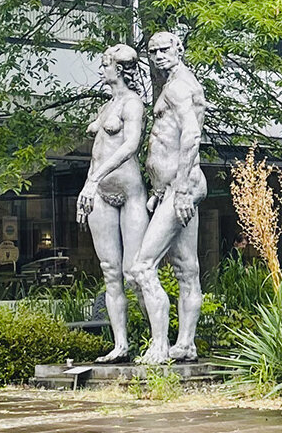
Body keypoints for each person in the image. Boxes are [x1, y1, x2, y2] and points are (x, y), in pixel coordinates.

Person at [125, 30, 209, 364]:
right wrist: (161, 189)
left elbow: (191, 136)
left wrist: (182, 189)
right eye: (153, 51)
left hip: (181, 185)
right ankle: (186, 344)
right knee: (186, 269)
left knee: (142, 267)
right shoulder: (175, 84)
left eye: (165, 50)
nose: (159, 56)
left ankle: (159, 346)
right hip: (174, 186)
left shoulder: (178, 87)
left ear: (179, 50)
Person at [77, 43, 151, 363]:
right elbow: (97, 154)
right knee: (110, 272)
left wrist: (94, 179)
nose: (101, 69)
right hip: (100, 194)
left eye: (105, 64)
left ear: (119, 69)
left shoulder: (132, 103)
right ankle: (121, 345)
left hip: (130, 193)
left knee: (135, 273)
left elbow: (130, 146)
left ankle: (157, 341)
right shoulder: (106, 106)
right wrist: (88, 186)